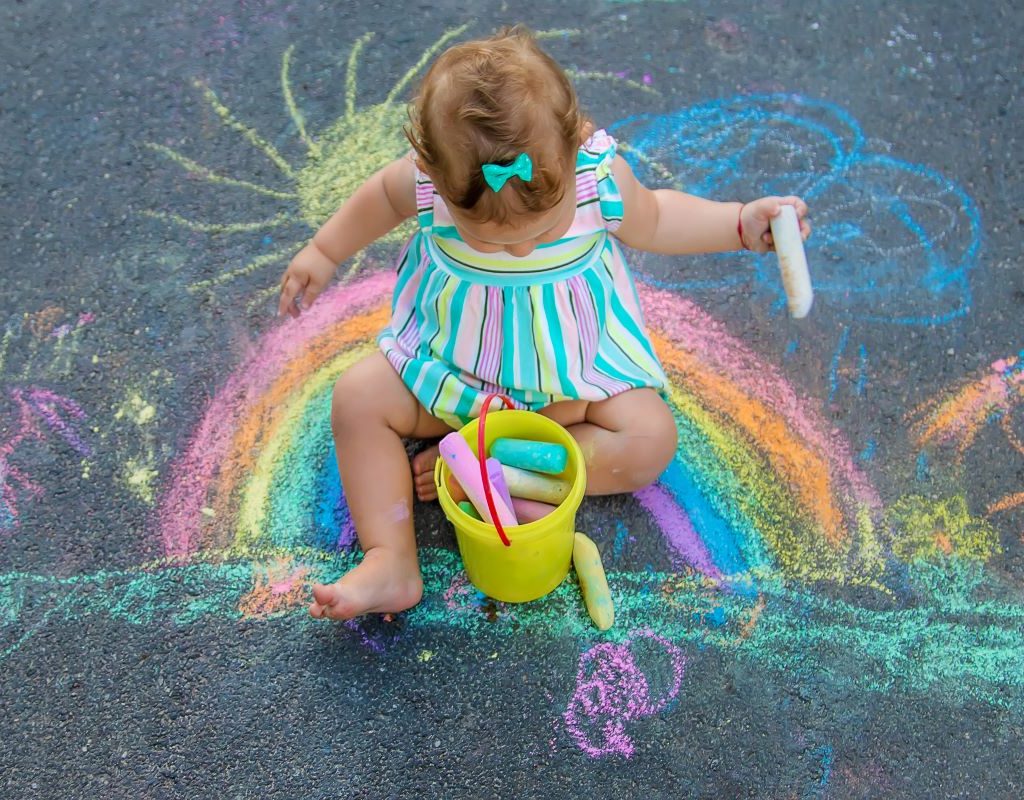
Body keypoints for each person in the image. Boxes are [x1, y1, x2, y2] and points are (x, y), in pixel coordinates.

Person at [276, 25, 810, 621]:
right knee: (356, 398)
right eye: (497, 242)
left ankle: (495, 467)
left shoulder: (597, 179)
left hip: (569, 383)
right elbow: (378, 198)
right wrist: (324, 252)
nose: (523, 252)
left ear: (578, 143)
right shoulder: (430, 184)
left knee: (650, 439)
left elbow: (657, 220)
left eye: (541, 233)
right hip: (453, 373)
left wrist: (740, 224)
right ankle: (391, 558)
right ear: (430, 169)